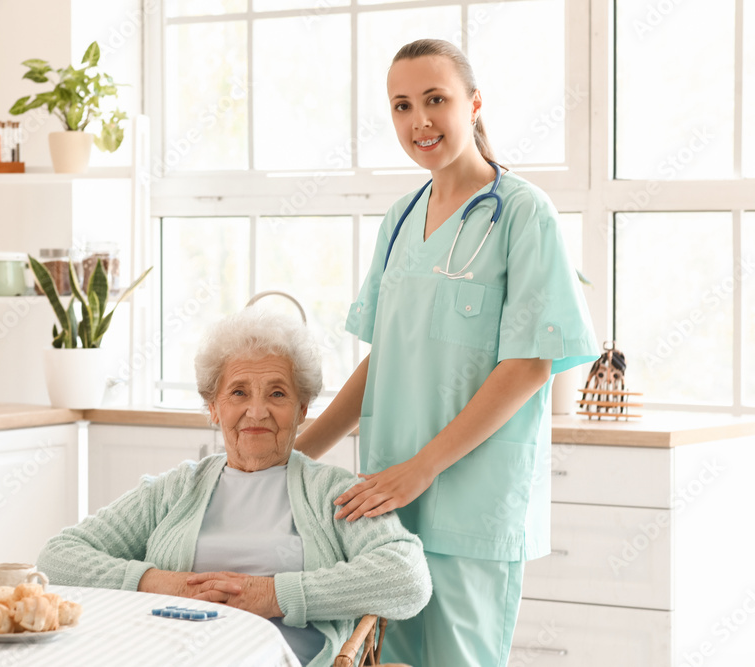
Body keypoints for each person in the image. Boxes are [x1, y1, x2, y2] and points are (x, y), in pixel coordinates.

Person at [294, 39, 598, 667]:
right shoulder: (401, 220)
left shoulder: (522, 214)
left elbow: (529, 365)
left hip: (470, 504)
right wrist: (295, 453)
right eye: (402, 106)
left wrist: (423, 468)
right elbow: (387, 361)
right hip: (386, 504)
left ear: (475, 103)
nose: (419, 121)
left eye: (436, 100)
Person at [37, 308, 432, 667]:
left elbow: (408, 577)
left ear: (302, 408)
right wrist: (163, 584)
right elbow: (56, 558)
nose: (256, 411)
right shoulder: (174, 490)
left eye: (277, 393)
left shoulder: (332, 493)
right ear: (213, 407)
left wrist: (275, 595)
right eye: (239, 392)